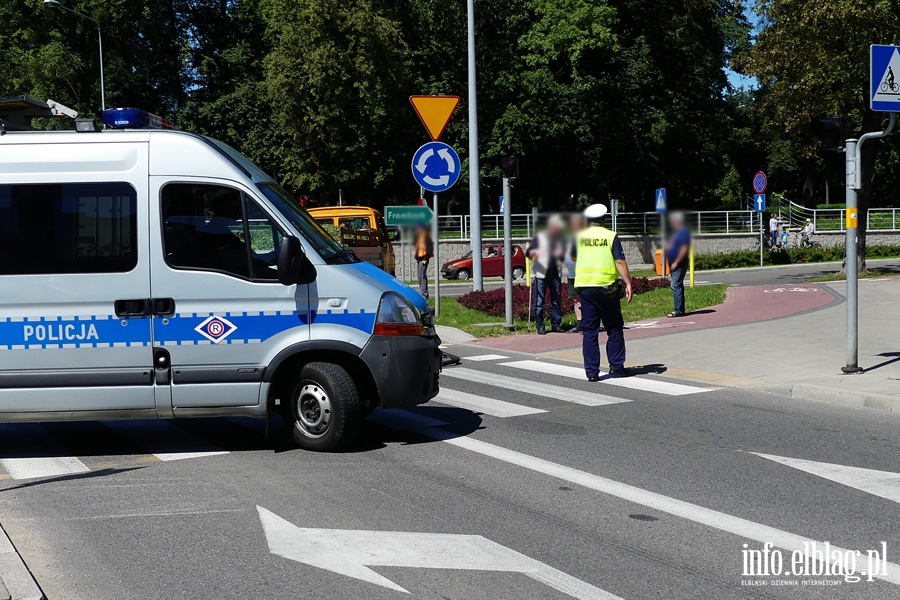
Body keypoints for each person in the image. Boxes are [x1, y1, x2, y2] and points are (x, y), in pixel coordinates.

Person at [571, 204, 634, 380]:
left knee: (589, 330)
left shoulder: (579, 236)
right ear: (604, 219)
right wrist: (628, 282)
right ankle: (616, 366)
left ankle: (591, 373)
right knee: (613, 327)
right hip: (607, 288)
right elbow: (619, 261)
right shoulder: (610, 236)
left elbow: (573, 257)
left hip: (585, 289)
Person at [528, 214, 566, 334]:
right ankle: (540, 326)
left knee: (556, 301)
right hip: (541, 274)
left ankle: (556, 324)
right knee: (539, 302)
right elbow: (529, 253)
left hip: (555, 273)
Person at [666, 211, 691, 318]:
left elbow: (684, 248)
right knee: (678, 285)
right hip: (673, 262)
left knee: (675, 285)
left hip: (679, 263)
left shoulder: (683, 232)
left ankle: (678, 310)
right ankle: (680, 309)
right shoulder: (676, 232)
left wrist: (676, 262)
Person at [565, 213, 585, 333]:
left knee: (585, 299)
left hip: (582, 274)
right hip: (571, 274)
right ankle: (579, 323)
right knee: (576, 299)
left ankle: (587, 323)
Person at [413, 224, 433, 299]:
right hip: (419, 259)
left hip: (424, 259)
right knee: (420, 276)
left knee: (422, 276)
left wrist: (425, 258)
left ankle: (424, 293)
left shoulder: (426, 236)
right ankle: (424, 292)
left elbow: (429, 248)